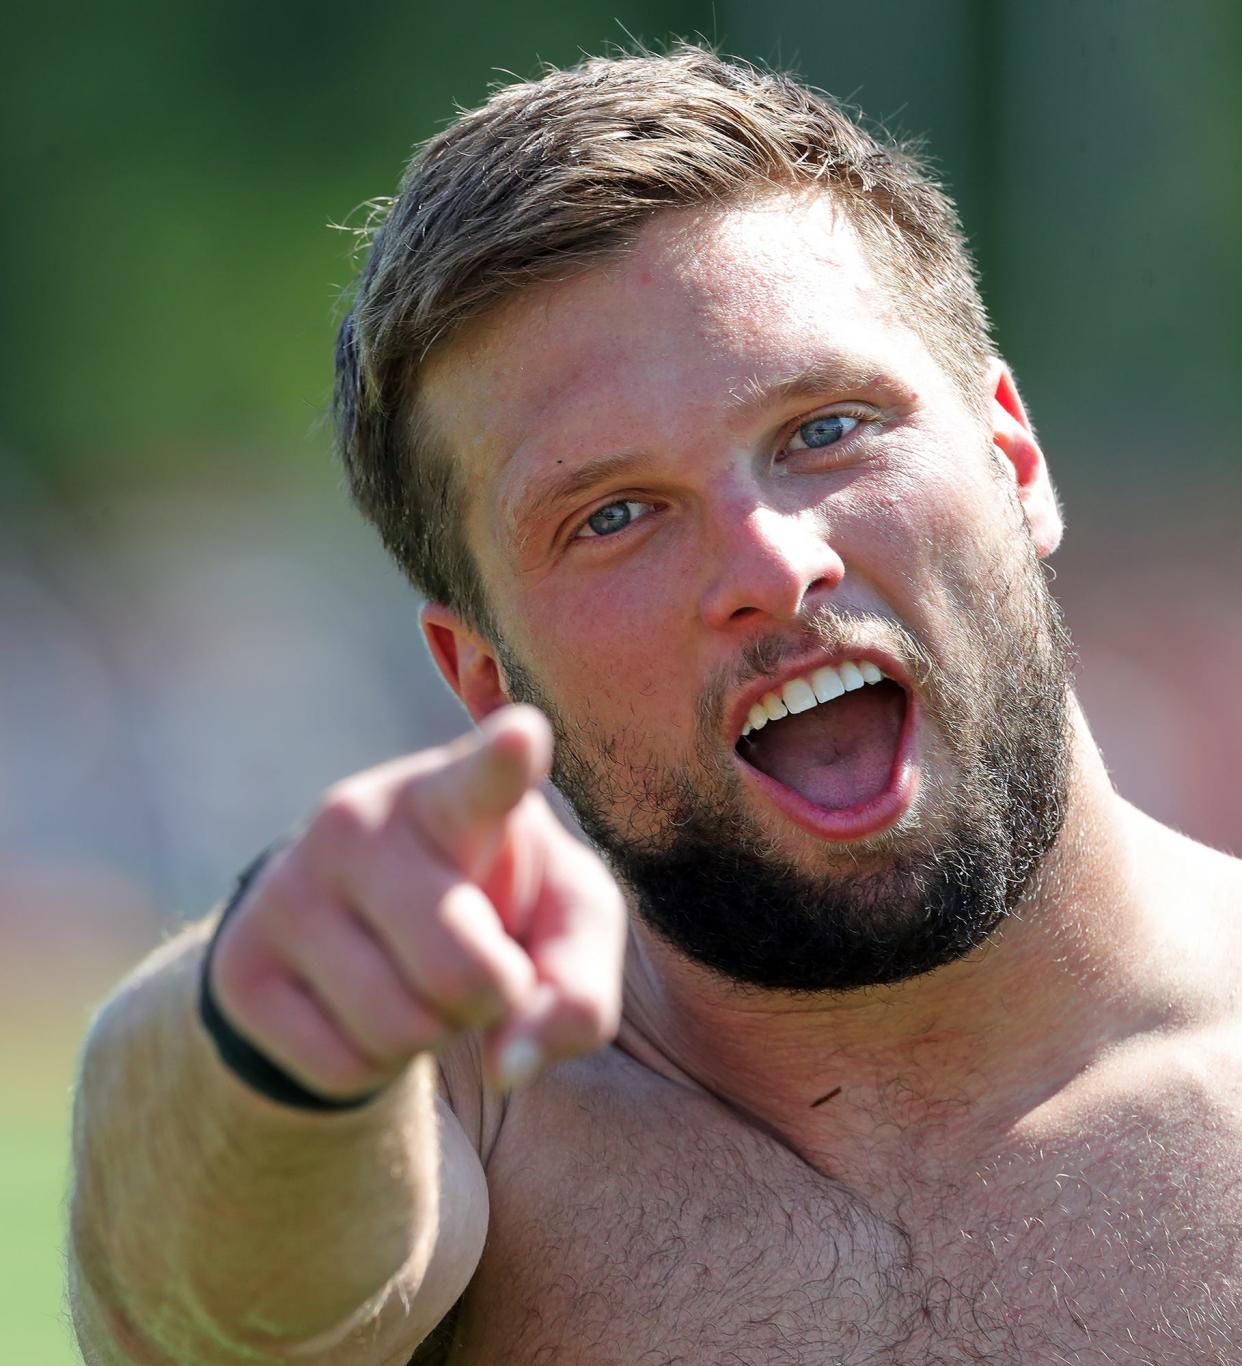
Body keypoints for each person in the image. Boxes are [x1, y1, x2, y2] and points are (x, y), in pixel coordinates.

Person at [68, 46, 1242, 1365]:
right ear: (480, 674)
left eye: (827, 428)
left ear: (1011, 455)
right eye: (612, 516)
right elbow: (189, 1300)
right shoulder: (478, 1110)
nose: (767, 565)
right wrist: (267, 1013)